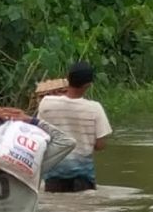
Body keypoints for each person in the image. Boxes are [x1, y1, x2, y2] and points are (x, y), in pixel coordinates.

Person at [36, 61, 112, 192]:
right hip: (84, 179)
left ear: (67, 78)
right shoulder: (95, 108)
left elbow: (39, 135)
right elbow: (100, 145)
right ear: (88, 84)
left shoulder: (46, 103)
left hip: (53, 177)